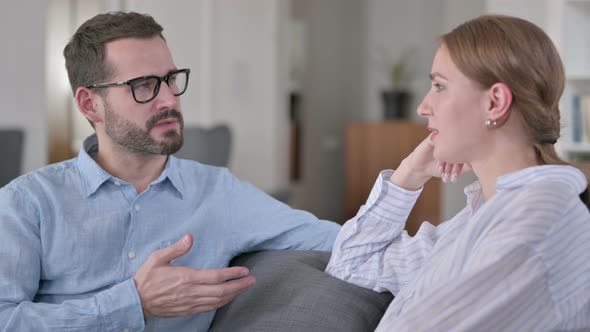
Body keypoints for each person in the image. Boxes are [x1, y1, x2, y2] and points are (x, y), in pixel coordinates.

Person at [0, 11, 340, 331]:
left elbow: (340, 243)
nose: (169, 100)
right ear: (91, 104)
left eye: (171, 79)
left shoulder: (219, 193)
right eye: (145, 85)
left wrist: (395, 185)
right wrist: (134, 302)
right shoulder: (27, 204)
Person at [326, 14, 590, 331]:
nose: (423, 106)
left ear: (495, 102)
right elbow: (350, 265)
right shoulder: (479, 218)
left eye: (439, 86)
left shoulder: (533, 225)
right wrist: (409, 174)